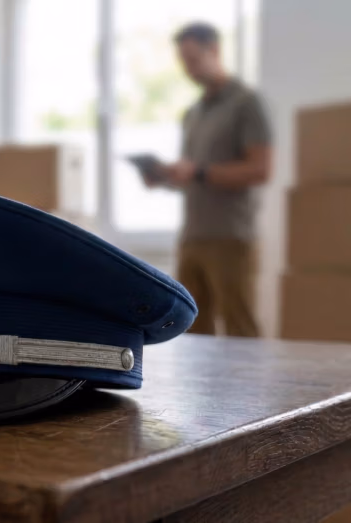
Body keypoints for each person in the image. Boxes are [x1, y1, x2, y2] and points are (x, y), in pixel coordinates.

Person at [155, 22, 272, 337]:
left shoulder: (246, 103)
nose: (187, 69)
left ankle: (249, 389)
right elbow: (191, 174)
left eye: (192, 59)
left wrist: (199, 172)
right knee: (190, 331)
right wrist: (166, 177)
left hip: (231, 237)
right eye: (183, 61)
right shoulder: (192, 113)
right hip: (193, 236)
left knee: (240, 329)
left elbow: (260, 169)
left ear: (215, 51)